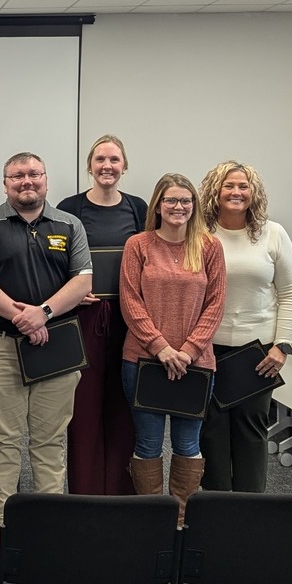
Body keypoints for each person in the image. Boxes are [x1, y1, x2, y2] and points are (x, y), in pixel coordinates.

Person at [0, 151, 93, 527]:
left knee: (50, 441)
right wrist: (21, 317)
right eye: (17, 176)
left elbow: (82, 281)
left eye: (34, 174)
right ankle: (1, 527)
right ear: (5, 184)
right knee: (4, 441)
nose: (27, 181)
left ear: (46, 180)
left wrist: (43, 314)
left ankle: (46, 528)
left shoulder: (70, 225)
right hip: (0, 343)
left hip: (57, 347)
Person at [119, 172, 226, 524]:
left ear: (193, 206)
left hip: (195, 364)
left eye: (185, 200)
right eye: (171, 200)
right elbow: (130, 302)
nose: (178, 207)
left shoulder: (210, 246)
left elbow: (215, 304)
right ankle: (152, 523)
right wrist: (162, 348)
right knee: (148, 444)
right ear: (158, 206)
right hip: (144, 361)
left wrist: (189, 350)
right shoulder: (139, 245)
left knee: (188, 445)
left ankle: (180, 523)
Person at [198, 161, 292, 492]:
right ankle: (214, 514)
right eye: (229, 185)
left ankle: (251, 514)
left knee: (251, 432)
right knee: (210, 434)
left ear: (253, 193)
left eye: (243, 186)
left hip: (256, 355)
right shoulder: (198, 234)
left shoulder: (273, 234)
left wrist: (282, 345)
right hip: (207, 350)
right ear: (215, 191)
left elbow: (291, 292)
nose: (236, 192)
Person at [58, 135, 147, 495]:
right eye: (100, 160)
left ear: (125, 165)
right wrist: (72, 291)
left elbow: (151, 259)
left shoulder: (140, 208)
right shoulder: (70, 208)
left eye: (114, 159)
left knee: (125, 407)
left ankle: (123, 495)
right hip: (84, 319)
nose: (107, 166)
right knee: (83, 411)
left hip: (131, 319)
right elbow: (56, 261)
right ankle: (85, 493)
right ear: (89, 166)